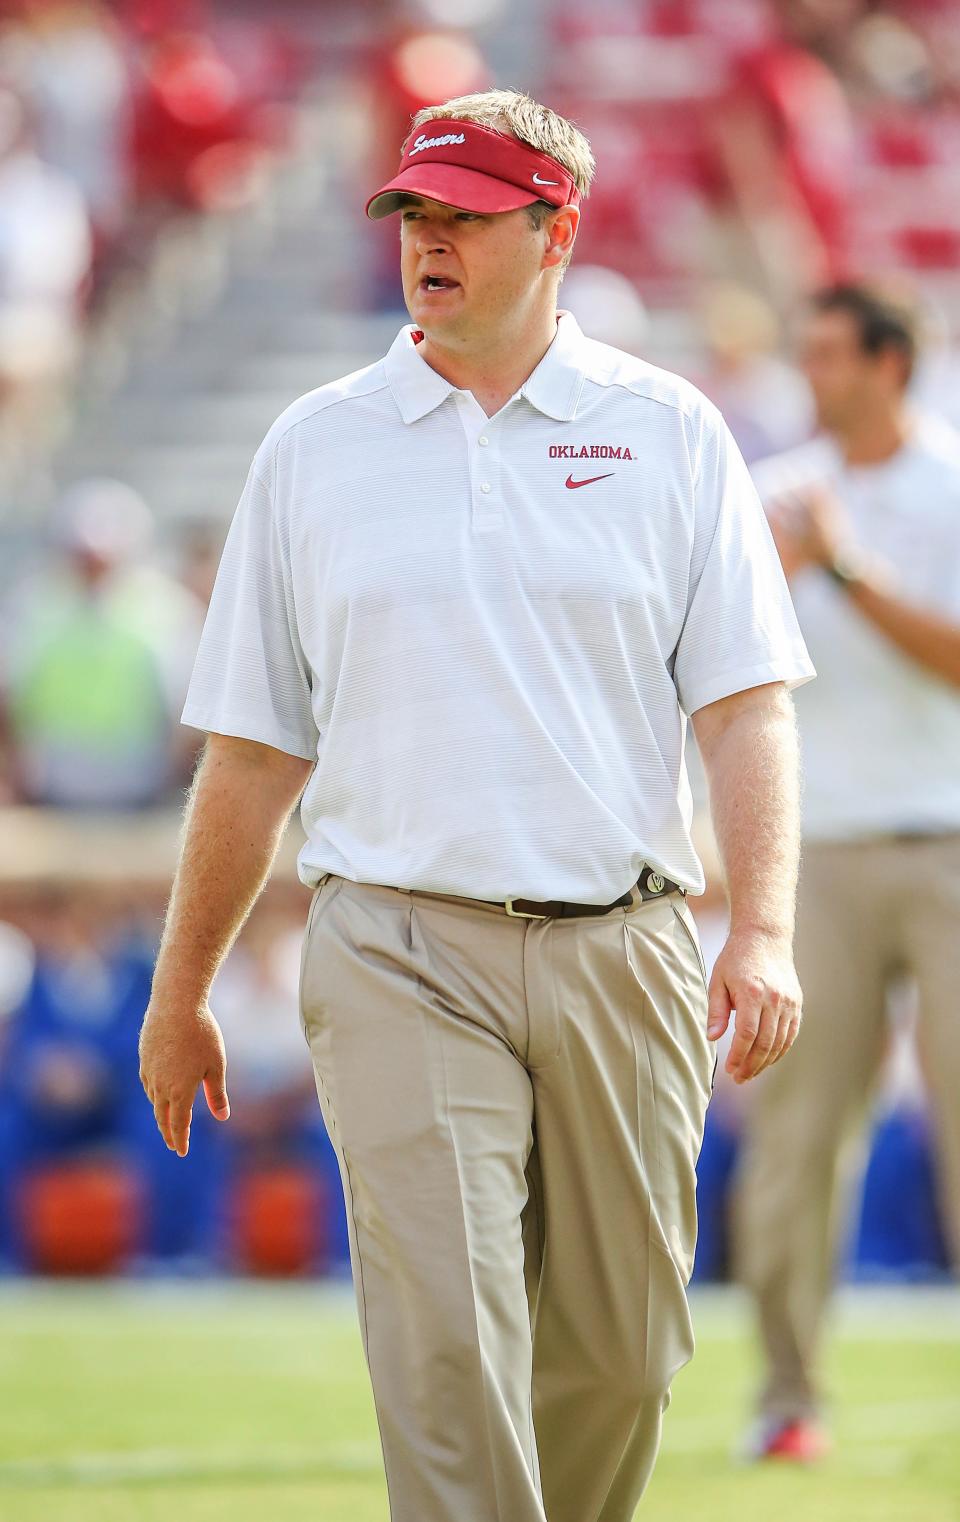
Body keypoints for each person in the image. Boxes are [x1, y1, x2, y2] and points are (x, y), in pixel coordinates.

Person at [138, 87, 813, 1522]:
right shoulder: (314, 447)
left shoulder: (673, 432)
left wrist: (759, 928)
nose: (427, 243)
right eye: (412, 215)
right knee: (449, 1335)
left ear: (556, 230)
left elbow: (748, 707)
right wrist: (180, 983)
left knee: (624, 1356)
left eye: (464, 217)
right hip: (394, 944)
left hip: (627, 946)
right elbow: (252, 752)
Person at [734, 280, 960, 1462]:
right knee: (799, 1134)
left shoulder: (950, 482)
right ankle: (786, 1399)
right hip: (818, 850)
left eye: (831, 353)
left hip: (949, 839)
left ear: (890, 366)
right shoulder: (773, 494)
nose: (809, 372)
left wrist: (845, 570)